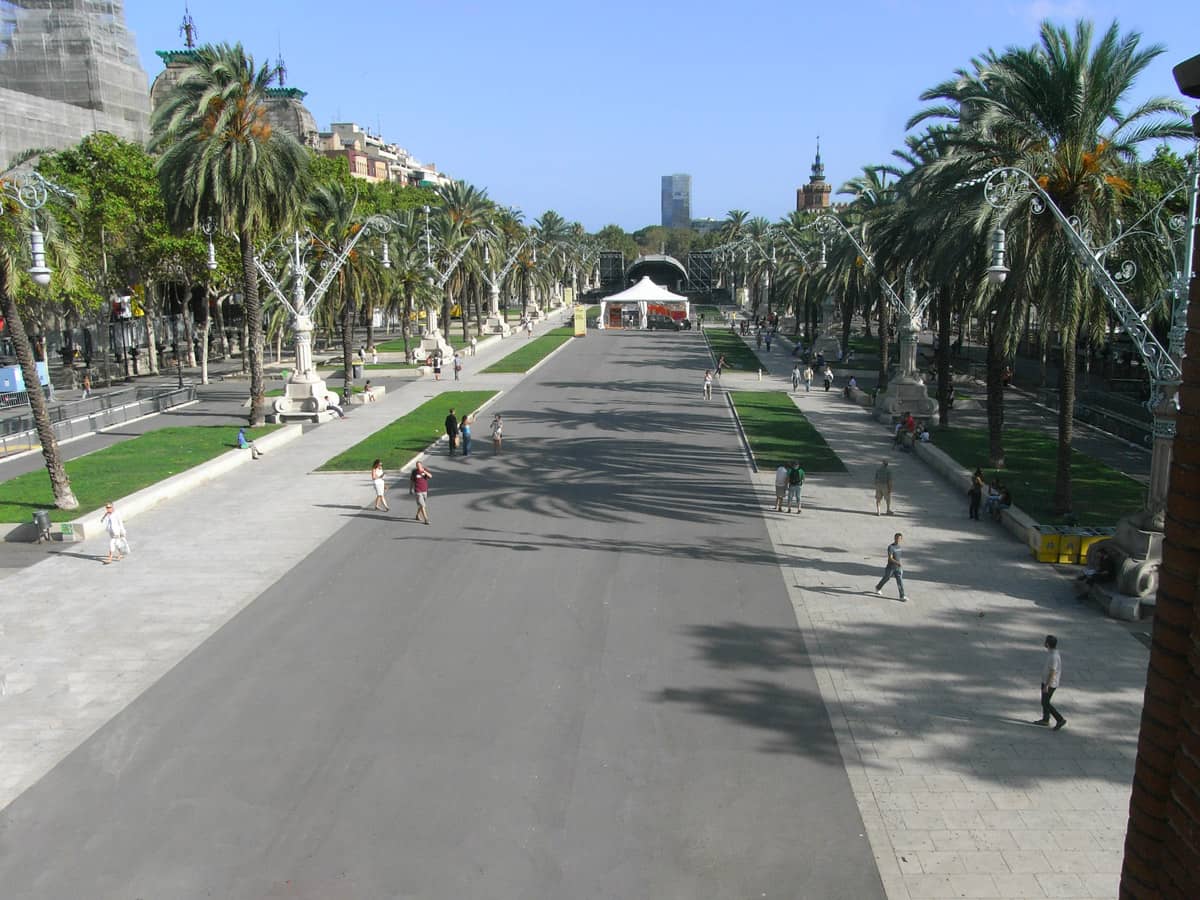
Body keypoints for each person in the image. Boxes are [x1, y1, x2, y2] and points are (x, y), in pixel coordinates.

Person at [1035, 635, 1066, 729]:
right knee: (1044, 701)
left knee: (1045, 702)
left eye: (1045, 641)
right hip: (1046, 681)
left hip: (1050, 684)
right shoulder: (1053, 653)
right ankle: (1045, 719)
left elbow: (1052, 672)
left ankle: (1060, 719)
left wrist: (1046, 686)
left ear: (1047, 644)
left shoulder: (1053, 656)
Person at [874, 532, 907, 601]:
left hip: (898, 568)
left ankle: (902, 596)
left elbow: (898, 557)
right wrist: (897, 562)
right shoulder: (891, 547)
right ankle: (878, 587)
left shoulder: (899, 547)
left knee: (900, 581)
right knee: (886, 578)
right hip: (890, 568)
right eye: (896, 538)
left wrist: (899, 566)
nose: (898, 540)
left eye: (899, 539)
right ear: (894, 538)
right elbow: (890, 558)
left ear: (901, 539)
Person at [410, 460, 432, 525]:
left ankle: (417, 515)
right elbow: (412, 481)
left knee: (421, 505)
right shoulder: (414, 472)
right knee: (422, 505)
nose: (418, 466)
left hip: (424, 490)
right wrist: (410, 489)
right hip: (418, 491)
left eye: (419, 465)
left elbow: (430, 476)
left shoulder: (425, 470)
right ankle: (426, 519)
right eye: (417, 465)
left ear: (421, 465)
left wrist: (424, 471)